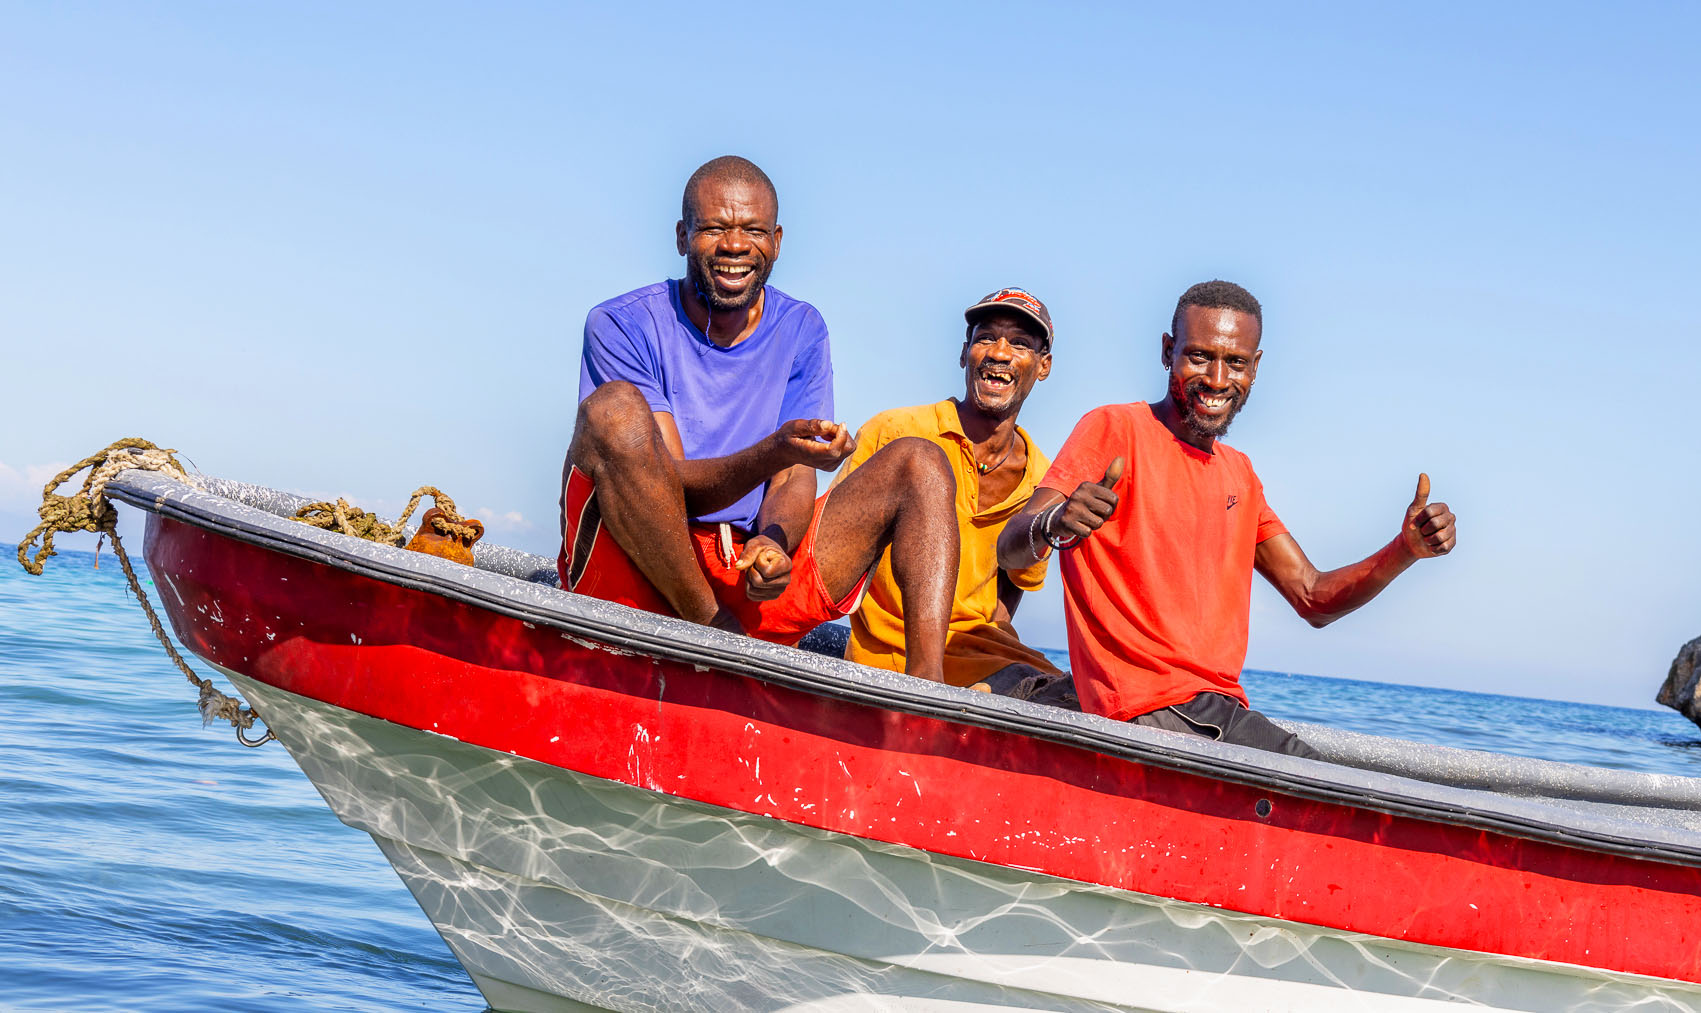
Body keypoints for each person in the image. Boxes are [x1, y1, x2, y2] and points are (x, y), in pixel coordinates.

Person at [996, 280, 1458, 756]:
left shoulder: (1240, 474)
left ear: (1255, 368)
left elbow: (1313, 597)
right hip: (1144, 709)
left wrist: (1405, 551)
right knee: (1324, 783)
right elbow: (1011, 549)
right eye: (1198, 357)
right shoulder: (1115, 429)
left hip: (1210, 710)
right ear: (1167, 351)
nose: (1217, 379)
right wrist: (1054, 523)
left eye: (1235, 362)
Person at [559, 156, 959, 681]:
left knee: (922, 462)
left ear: (776, 241)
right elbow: (671, 489)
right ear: (682, 236)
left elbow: (795, 477)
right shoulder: (622, 323)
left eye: (752, 230)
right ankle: (713, 635)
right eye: (714, 229)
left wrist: (774, 541)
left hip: (746, 572)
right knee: (612, 411)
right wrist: (777, 448)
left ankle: (926, 701)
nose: (734, 246)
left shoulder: (802, 328)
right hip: (651, 565)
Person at [834, 288, 1067, 696]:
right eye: (984, 338)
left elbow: (1015, 582)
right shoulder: (896, 432)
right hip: (893, 653)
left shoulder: (1042, 477)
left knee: (1086, 700)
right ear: (964, 354)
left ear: (1043, 366)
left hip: (988, 654)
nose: (999, 352)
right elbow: (833, 548)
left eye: (1020, 343)